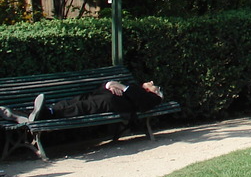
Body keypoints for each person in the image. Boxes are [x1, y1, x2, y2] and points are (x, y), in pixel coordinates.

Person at [0, 80, 165, 124]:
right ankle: (26, 114)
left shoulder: (153, 98)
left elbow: (143, 103)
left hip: (109, 103)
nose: (150, 81)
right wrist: (110, 84)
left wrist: (120, 86)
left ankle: (33, 114)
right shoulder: (134, 85)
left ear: (155, 91)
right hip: (99, 95)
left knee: (80, 107)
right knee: (71, 102)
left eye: (153, 84)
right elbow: (107, 84)